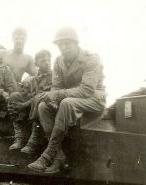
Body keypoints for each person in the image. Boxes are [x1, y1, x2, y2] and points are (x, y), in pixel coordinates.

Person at [28, 27, 106, 174]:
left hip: (93, 100)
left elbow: (86, 90)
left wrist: (57, 95)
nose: (63, 47)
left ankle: (48, 154)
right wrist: (51, 99)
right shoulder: (58, 61)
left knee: (66, 103)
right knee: (43, 106)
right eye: (60, 44)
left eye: (67, 43)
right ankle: (59, 157)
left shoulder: (91, 59)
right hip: (70, 100)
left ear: (76, 43)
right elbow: (56, 87)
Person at [0, 27, 38, 148]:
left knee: (20, 96)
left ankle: (19, 138)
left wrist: (27, 80)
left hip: (15, 90)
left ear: (26, 39)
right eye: (17, 37)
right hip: (0, 89)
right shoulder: (3, 54)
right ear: (12, 38)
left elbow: (36, 75)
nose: (19, 39)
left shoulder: (28, 58)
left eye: (22, 37)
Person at [7, 50, 52, 151]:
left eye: (49, 60)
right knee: (14, 96)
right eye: (43, 60)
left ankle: (33, 140)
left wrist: (23, 105)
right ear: (36, 64)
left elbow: (41, 96)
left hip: (46, 106)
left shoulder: (53, 77)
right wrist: (13, 99)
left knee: (38, 100)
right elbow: (25, 92)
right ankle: (19, 137)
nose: (47, 62)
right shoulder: (34, 78)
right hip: (32, 104)